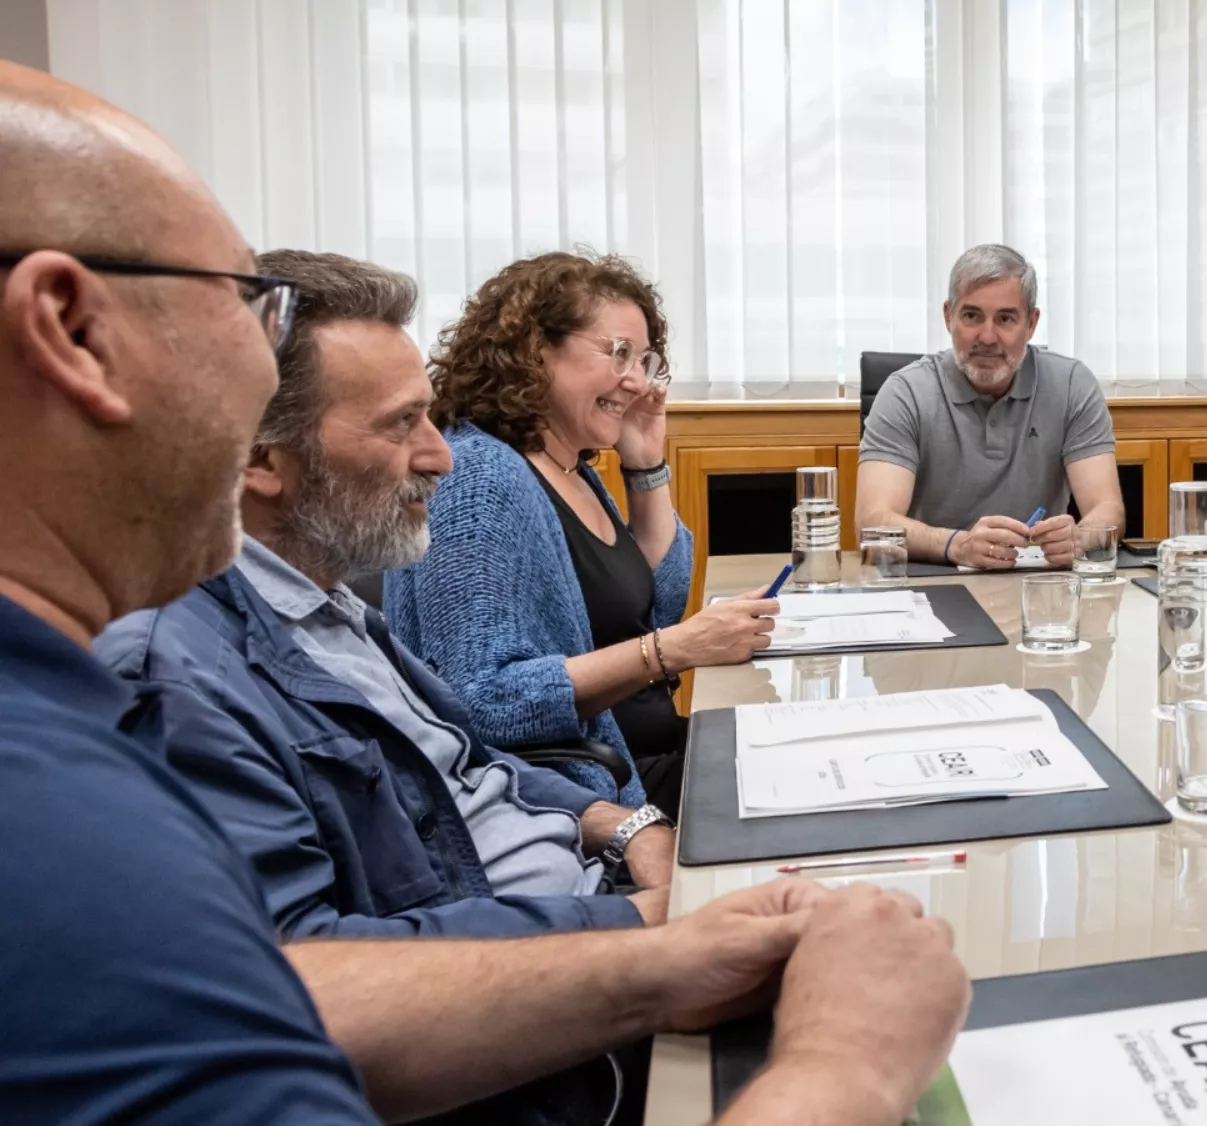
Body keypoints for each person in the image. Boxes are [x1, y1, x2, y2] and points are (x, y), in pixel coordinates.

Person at [0, 61, 969, 1125]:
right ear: (71, 328)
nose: (438, 455)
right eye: (240, 302)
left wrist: (633, 860)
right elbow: (302, 989)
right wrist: (839, 1056)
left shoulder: (314, 611)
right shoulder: (114, 717)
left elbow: (463, 766)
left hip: (593, 911)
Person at [98, 249, 679, 948]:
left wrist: (627, 828)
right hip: (551, 959)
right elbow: (315, 962)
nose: (441, 456)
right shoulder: (178, 676)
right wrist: (648, 924)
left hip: (592, 889)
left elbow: (471, 762)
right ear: (258, 458)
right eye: (401, 424)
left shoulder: (330, 607)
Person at [387, 251, 775, 814]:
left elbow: (656, 606)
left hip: (640, 754)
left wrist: (645, 464)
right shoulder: (479, 477)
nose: (637, 380)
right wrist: (674, 649)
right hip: (588, 789)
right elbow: (484, 700)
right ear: (534, 349)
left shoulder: (568, 465)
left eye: (645, 361)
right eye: (619, 353)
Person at [856, 243, 1125, 569]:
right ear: (948, 317)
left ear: (1031, 324)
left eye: (1005, 319)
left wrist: (1080, 538)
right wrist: (958, 545)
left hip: (1039, 583)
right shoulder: (905, 393)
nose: (986, 337)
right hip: (935, 581)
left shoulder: (1071, 385)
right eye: (971, 316)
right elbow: (872, 525)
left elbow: (1108, 510)